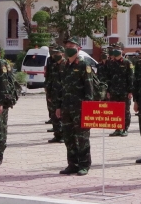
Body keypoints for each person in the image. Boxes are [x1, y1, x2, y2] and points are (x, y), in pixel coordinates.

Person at [55, 38, 98, 175]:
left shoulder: (84, 65)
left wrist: (88, 108)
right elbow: (61, 88)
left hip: (81, 108)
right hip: (67, 107)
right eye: (66, 46)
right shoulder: (64, 65)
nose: (68, 48)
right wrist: (58, 106)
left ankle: (84, 164)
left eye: (71, 46)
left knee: (82, 138)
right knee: (68, 137)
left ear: (78, 48)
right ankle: (72, 164)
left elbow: (89, 89)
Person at [100, 44, 135, 137]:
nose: (116, 51)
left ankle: (124, 129)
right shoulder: (111, 63)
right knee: (115, 111)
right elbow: (108, 78)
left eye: (118, 49)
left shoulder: (127, 63)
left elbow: (130, 77)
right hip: (113, 91)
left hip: (124, 91)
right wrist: (108, 91)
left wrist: (130, 91)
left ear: (122, 51)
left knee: (125, 111)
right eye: (115, 49)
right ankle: (117, 128)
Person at [44, 45, 67, 143]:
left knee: (61, 115)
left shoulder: (66, 66)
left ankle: (63, 135)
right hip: (53, 94)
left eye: (57, 53)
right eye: (54, 53)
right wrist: (48, 93)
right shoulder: (53, 66)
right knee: (54, 115)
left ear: (62, 54)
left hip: (62, 95)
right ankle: (57, 135)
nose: (55, 55)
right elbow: (50, 80)